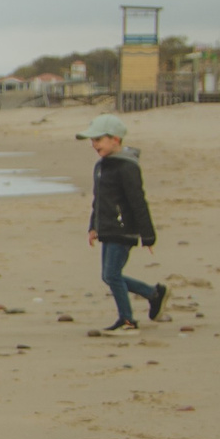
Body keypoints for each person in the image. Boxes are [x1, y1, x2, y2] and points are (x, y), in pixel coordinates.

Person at [82, 113, 165, 331]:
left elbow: (138, 202)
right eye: (92, 140)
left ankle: (127, 319)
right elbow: (99, 200)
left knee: (112, 275)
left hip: (123, 229)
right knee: (109, 276)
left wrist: (148, 235)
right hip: (107, 228)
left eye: (98, 140)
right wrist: (93, 226)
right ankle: (153, 293)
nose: (94, 145)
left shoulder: (128, 167)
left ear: (115, 139)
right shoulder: (101, 166)